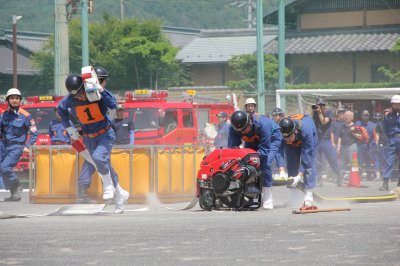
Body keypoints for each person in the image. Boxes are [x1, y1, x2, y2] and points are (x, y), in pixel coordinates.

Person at [58, 74, 129, 214]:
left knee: (98, 158)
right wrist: (69, 128)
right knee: (102, 164)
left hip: (105, 134)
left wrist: (101, 90)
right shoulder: (71, 99)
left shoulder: (95, 94)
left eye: (80, 92)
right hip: (88, 137)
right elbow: (61, 110)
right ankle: (120, 193)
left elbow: (113, 104)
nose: (79, 97)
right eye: (76, 95)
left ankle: (109, 186)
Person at [228, 110, 282, 209]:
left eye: (244, 130)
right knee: (245, 164)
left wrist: (249, 158)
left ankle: (267, 197)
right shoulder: (234, 128)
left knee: (265, 163)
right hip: (252, 139)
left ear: (250, 123)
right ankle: (249, 193)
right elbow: (232, 149)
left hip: (272, 137)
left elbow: (265, 151)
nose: (242, 132)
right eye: (240, 131)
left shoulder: (263, 124)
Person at [0, 88, 38, 201]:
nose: (14, 100)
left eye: (17, 98)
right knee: (1, 169)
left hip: (17, 146)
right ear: (7, 100)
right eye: (12, 98)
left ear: (20, 100)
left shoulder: (25, 115)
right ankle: (14, 193)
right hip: (3, 145)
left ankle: (17, 186)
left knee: (5, 167)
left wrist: (27, 146)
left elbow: (34, 133)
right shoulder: (3, 115)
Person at [279, 114, 318, 206]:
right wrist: (281, 169)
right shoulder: (280, 130)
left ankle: (309, 194)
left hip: (309, 138)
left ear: (295, 131)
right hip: (295, 140)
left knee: (309, 164)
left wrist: (299, 175)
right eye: (285, 138)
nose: (287, 140)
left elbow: (307, 156)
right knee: (291, 164)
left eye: (289, 137)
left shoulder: (306, 130)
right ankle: (294, 196)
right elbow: (278, 150)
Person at [312, 98, 343, 186]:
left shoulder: (329, 113)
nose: (320, 107)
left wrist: (319, 113)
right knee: (317, 161)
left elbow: (323, 122)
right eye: (318, 105)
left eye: (321, 105)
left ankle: (339, 175)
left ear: (324, 106)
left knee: (332, 159)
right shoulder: (315, 114)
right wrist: (314, 112)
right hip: (317, 140)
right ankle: (319, 180)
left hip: (326, 140)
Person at [380, 95, 400, 191]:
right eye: (394, 103)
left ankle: (399, 184)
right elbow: (384, 128)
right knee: (389, 161)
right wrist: (387, 139)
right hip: (392, 139)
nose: (396, 105)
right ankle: (385, 183)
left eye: (398, 103)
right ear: (392, 104)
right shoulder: (388, 116)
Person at [355, 110, 376, 180]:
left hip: (368, 145)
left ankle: (369, 175)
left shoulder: (372, 125)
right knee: (360, 161)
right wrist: (359, 136)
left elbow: (374, 136)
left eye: (367, 115)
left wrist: (373, 144)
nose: (366, 116)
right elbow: (353, 132)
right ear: (361, 116)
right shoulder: (357, 123)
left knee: (368, 161)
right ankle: (359, 175)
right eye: (364, 115)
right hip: (360, 145)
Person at [337, 111, 359, 177]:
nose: (347, 117)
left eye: (349, 115)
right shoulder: (342, 126)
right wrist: (338, 147)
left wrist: (353, 132)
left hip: (352, 146)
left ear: (352, 117)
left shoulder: (355, 126)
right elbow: (340, 137)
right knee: (342, 164)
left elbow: (359, 136)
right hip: (343, 146)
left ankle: (354, 179)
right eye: (346, 115)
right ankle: (340, 180)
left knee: (353, 163)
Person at [271, 107, 286, 179]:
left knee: (279, 155)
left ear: (280, 115)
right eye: (274, 115)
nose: (275, 117)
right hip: (277, 142)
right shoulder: (274, 123)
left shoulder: (283, 122)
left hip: (284, 141)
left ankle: (282, 171)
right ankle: (276, 171)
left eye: (276, 115)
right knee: (274, 155)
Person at [372, 111, 387, 181]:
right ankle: (378, 175)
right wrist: (377, 144)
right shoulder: (379, 124)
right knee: (377, 160)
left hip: (388, 144)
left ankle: (385, 175)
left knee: (385, 160)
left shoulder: (390, 124)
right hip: (381, 144)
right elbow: (377, 135)